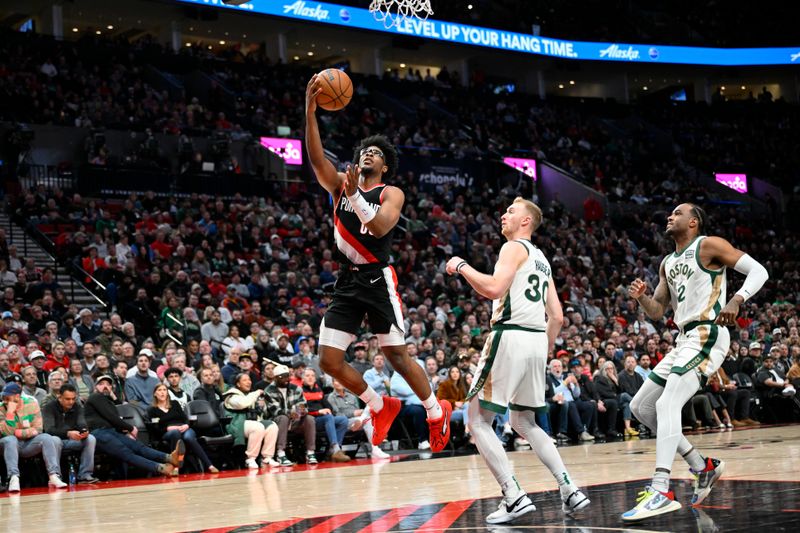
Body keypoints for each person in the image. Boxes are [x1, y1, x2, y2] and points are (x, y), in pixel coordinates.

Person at [305, 76, 451, 453]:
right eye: (363, 150)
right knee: (329, 360)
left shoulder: (390, 192)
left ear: (385, 167)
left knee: (397, 355)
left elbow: (379, 225)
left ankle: (436, 412)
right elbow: (317, 159)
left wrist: (354, 193)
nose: (367, 154)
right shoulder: (339, 184)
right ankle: (378, 404)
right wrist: (310, 111)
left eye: (375, 153)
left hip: (377, 278)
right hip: (347, 282)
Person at [445, 197, 589, 524]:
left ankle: (513, 496)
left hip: (509, 335)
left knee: (477, 421)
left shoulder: (513, 248)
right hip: (537, 341)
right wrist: (541, 352)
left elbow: (495, 288)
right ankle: (569, 487)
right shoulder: (543, 260)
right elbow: (558, 317)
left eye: (511, 211)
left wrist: (462, 266)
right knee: (524, 422)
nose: (503, 215)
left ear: (526, 222)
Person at [623, 203, 768, 520]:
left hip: (708, 332)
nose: (669, 216)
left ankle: (661, 489)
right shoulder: (667, 263)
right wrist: (642, 298)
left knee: (666, 405)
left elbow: (760, 271)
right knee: (641, 407)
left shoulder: (709, 245)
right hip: (683, 339)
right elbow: (658, 311)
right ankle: (702, 467)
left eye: (677, 213)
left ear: (693, 221)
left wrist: (737, 298)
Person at [86, 375, 183, 476]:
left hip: (111, 432)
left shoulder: (108, 402)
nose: (105, 386)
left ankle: (169, 458)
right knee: (127, 453)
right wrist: (130, 428)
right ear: (95, 387)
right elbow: (111, 417)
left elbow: (115, 415)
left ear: (112, 388)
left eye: (108, 384)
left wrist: (125, 430)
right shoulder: (95, 397)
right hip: (99, 433)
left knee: (139, 446)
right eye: (101, 384)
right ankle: (161, 468)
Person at [0, 382, 68, 491]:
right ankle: (14, 478)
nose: (4, 399)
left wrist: (19, 433)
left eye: (7, 396)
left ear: (17, 396)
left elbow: (38, 429)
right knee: (10, 440)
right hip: (8, 446)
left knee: (46, 437)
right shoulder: (1, 408)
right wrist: (10, 413)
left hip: (28, 443)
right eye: (3, 396)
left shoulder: (31, 404)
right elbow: (6, 433)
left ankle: (53, 475)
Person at [148, 384, 218, 473]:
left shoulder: (174, 403)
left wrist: (187, 425)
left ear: (167, 393)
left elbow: (185, 418)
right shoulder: (152, 410)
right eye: (159, 390)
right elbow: (155, 429)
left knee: (189, 438)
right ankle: (176, 466)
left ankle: (210, 465)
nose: (162, 392)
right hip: (168, 432)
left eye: (164, 390)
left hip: (183, 427)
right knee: (175, 433)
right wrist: (167, 428)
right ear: (155, 394)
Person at [41, 383, 99, 483]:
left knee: (91, 438)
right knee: (54, 440)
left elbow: (82, 423)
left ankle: (85, 475)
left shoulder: (77, 406)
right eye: (67, 399)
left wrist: (84, 431)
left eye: (73, 398)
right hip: (56, 441)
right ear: (60, 397)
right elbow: (49, 430)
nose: (71, 402)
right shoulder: (49, 408)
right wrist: (67, 433)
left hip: (72, 440)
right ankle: (56, 476)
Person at [222, 373, 279, 469]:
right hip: (235, 425)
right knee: (258, 427)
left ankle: (267, 457)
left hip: (251, 423)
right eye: (244, 380)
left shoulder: (249, 395)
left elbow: (259, 413)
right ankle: (250, 458)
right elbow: (243, 404)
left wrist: (262, 406)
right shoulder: (231, 395)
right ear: (238, 384)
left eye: (249, 380)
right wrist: (256, 393)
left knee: (272, 426)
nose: (248, 382)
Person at [263, 364, 317, 466]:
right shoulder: (269, 391)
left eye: (287, 376)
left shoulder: (296, 389)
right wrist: (292, 413)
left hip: (295, 420)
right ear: (275, 378)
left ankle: (310, 453)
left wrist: (296, 414)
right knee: (283, 418)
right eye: (282, 377)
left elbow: (303, 407)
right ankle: (281, 454)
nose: (286, 379)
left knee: (309, 418)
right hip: (276, 424)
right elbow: (276, 411)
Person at [326, 378, 389, 459]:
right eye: (336, 381)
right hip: (344, 423)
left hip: (357, 421)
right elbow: (337, 415)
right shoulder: (331, 398)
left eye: (341, 380)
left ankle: (377, 445)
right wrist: (353, 413)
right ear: (333, 384)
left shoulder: (352, 396)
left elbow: (358, 411)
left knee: (370, 413)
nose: (339, 383)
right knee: (367, 420)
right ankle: (376, 446)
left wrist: (361, 413)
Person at [301, 368, 350, 462]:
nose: (310, 378)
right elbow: (302, 410)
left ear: (315, 378)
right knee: (328, 417)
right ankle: (336, 448)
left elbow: (328, 406)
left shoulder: (318, 390)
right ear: (302, 379)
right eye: (307, 376)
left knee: (343, 420)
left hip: (324, 419)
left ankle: (334, 450)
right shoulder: (300, 391)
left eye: (312, 376)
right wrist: (319, 411)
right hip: (310, 420)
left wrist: (328, 410)